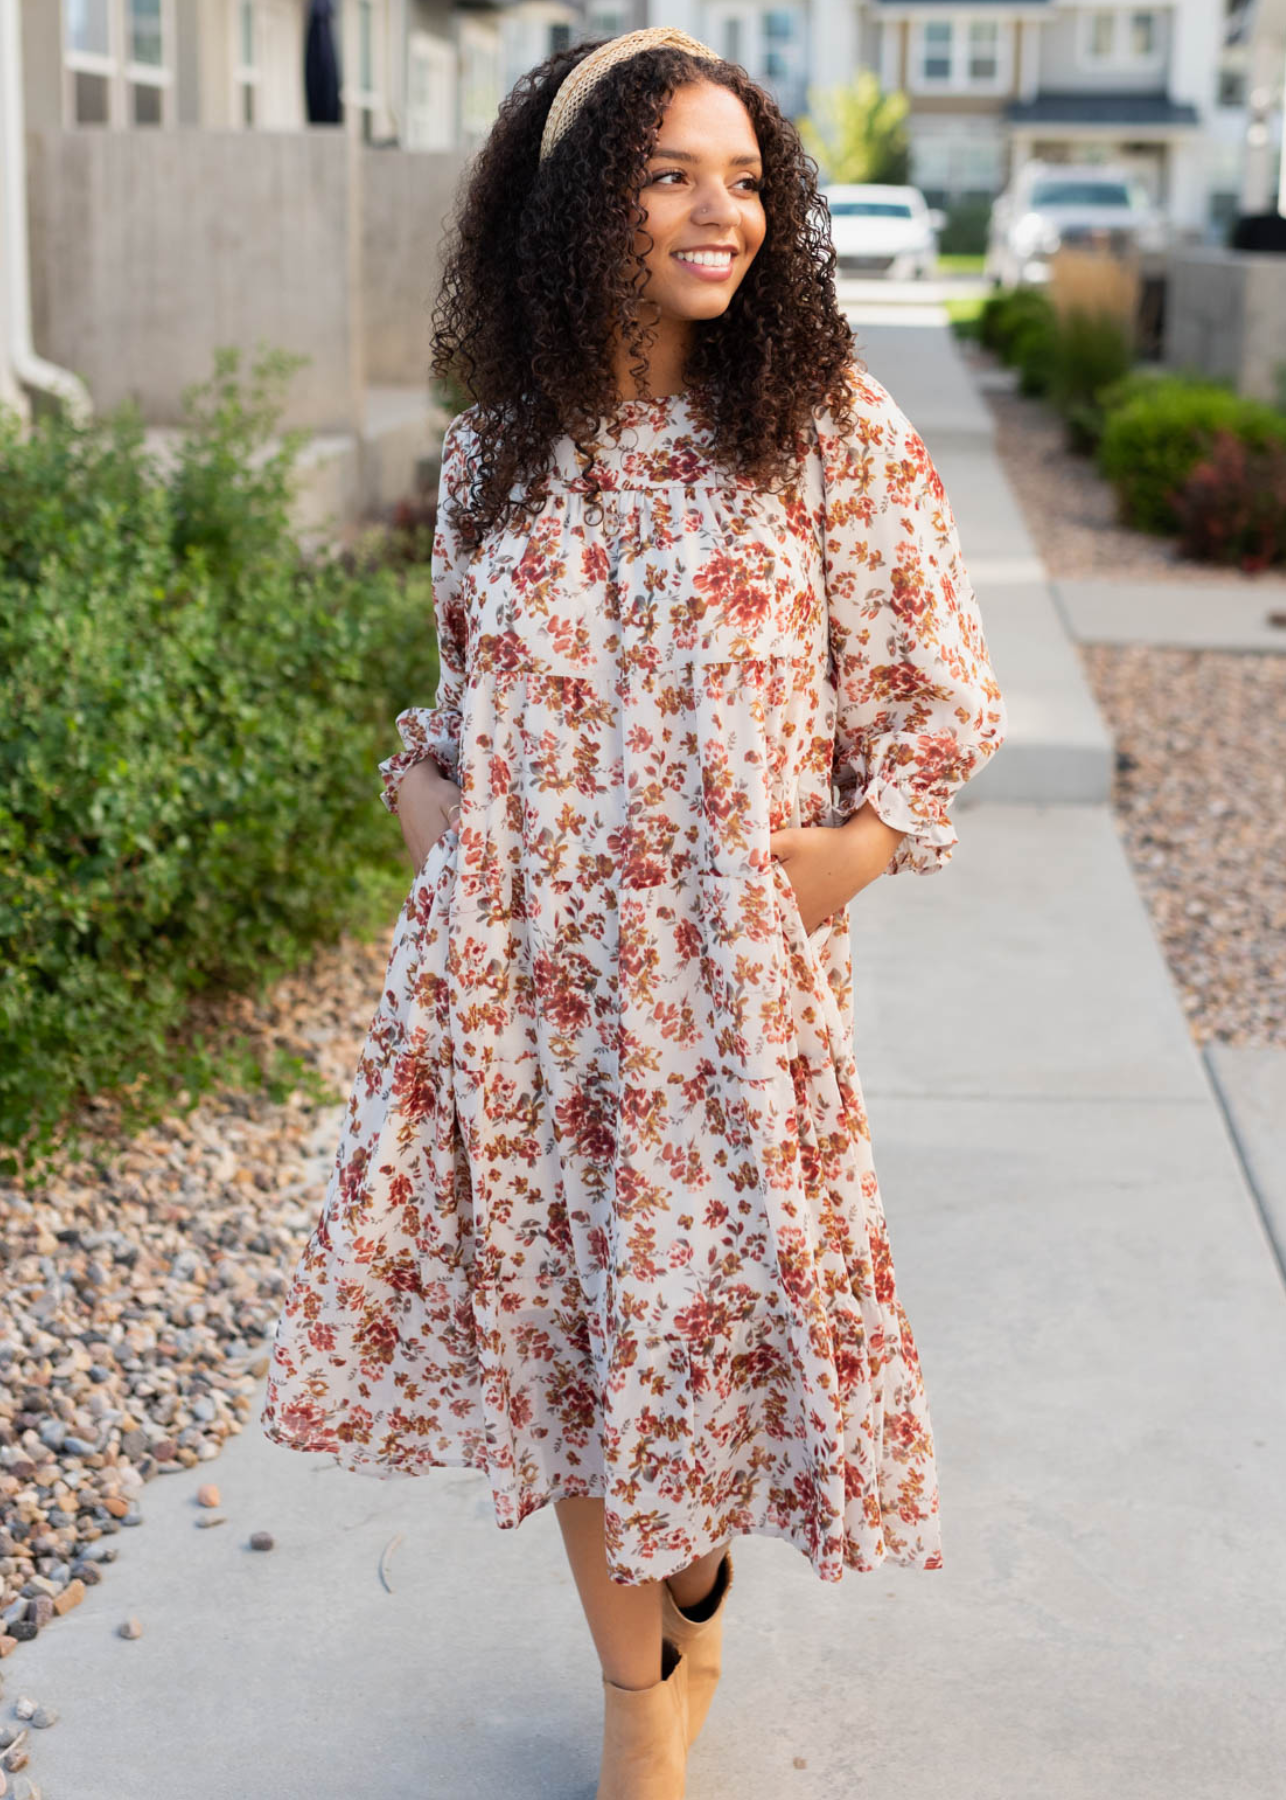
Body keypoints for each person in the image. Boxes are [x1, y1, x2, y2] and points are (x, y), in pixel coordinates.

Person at [260, 26, 1007, 1799]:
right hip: (520, 1003)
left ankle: (689, 1588)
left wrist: (836, 861)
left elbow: (939, 691)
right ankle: (633, 1708)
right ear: (580, 204)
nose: (719, 212)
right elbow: (445, 712)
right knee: (575, 1346)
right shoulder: (493, 457)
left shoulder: (818, 424)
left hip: (725, 1004)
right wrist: (436, 818)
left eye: (745, 177)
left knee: (695, 1332)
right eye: (669, 172)